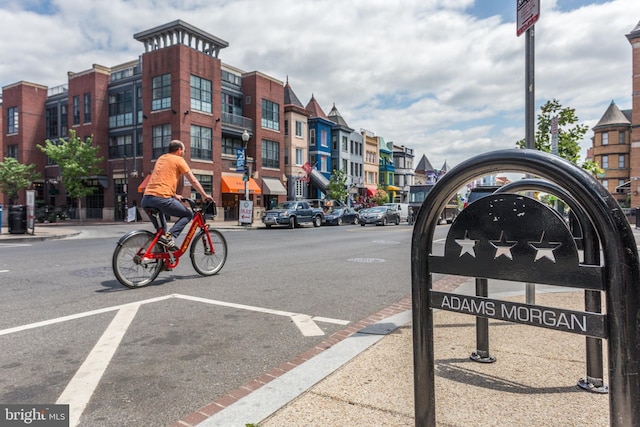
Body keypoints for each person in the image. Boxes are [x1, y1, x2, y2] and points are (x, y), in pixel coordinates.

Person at [141, 140, 212, 250]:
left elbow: (160, 179)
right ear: (179, 150)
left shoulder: (161, 158)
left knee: (161, 233)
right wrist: (204, 194)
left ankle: (162, 262)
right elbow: (192, 180)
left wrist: (174, 194)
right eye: (184, 150)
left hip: (147, 199)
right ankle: (171, 236)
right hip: (161, 199)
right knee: (187, 214)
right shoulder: (179, 160)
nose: (184, 152)